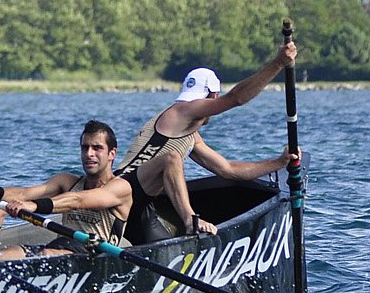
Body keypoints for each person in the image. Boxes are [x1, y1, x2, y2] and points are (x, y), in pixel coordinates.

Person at [115, 41, 298, 241]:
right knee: (172, 159)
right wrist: (278, 64)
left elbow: (228, 170)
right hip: (123, 192)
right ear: (213, 95)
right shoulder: (184, 111)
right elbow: (235, 98)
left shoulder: (188, 132)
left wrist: (278, 163)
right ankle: (190, 220)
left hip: (140, 205)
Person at [0, 121, 134, 256]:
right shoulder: (66, 181)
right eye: (85, 148)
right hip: (59, 248)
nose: (89, 154)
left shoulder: (121, 187)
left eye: (97, 148)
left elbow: (77, 200)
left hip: (94, 254)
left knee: (46, 254)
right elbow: (24, 194)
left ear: (112, 154)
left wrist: (34, 206)